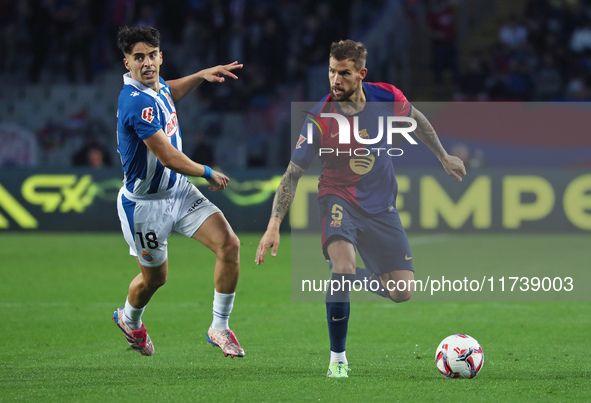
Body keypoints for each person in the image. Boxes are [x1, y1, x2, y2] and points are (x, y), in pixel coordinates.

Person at [255, 40, 466, 378]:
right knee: (342, 266)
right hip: (338, 199)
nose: (335, 80)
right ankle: (337, 359)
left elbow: (417, 118)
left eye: (344, 74)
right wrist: (274, 224)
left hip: (382, 207)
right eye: (331, 72)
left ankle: (347, 277)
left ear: (361, 74)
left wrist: (442, 156)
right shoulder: (320, 118)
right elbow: (292, 175)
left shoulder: (386, 97)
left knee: (402, 292)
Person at [113, 26, 245, 358]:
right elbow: (169, 157)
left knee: (229, 244)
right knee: (154, 280)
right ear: (126, 63)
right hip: (145, 207)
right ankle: (129, 319)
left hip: (179, 193)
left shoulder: (155, 89)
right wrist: (208, 172)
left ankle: (219, 327)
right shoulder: (135, 103)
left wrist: (201, 74)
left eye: (152, 55)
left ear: (161, 56)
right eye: (138, 57)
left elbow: (169, 91)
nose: (146, 63)